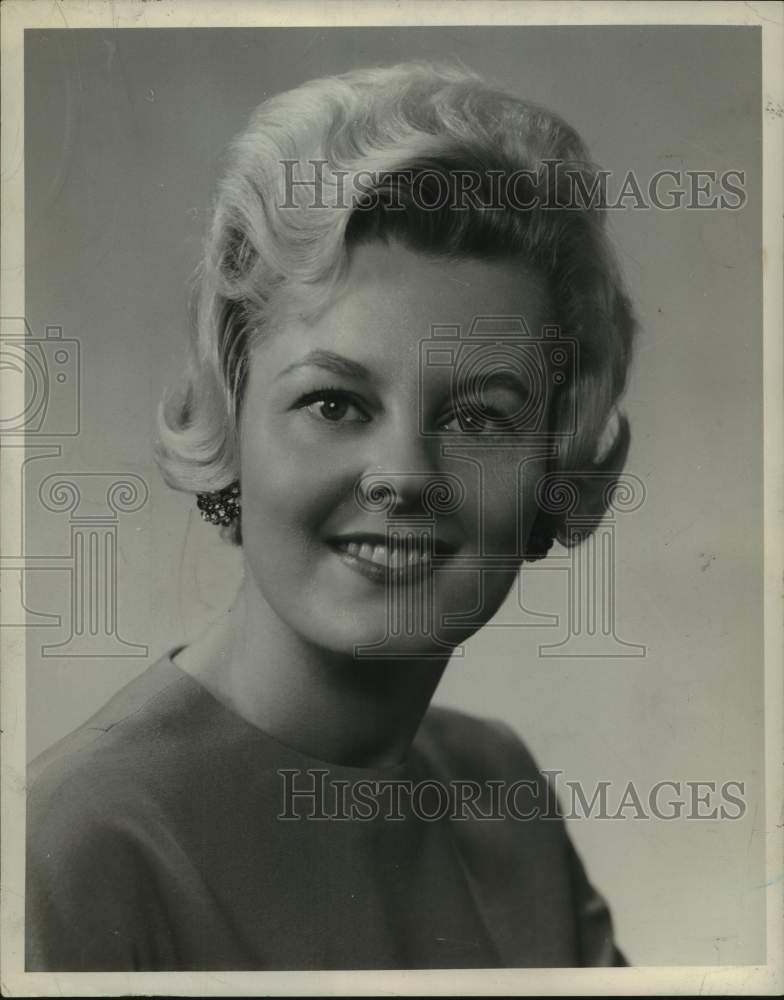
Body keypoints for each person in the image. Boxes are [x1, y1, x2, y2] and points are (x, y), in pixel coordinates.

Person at [26, 61, 635, 971]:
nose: (402, 475)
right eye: (335, 404)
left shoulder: (502, 796)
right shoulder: (71, 854)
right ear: (230, 415)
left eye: (478, 418)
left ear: (557, 459)